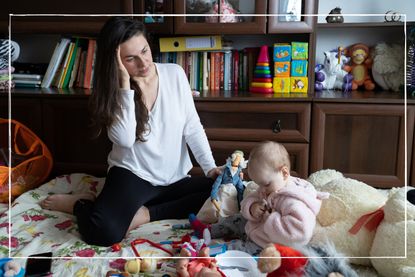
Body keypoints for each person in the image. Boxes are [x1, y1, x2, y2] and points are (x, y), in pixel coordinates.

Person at [40, 16, 220, 246]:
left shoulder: (175, 74)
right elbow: (124, 140)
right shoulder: (114, 92)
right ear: (116, 62)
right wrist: (124, 84)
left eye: (145, 51)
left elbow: (192, 127)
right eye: (131, 59)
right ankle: (81, 204)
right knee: (102, 233)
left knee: (225, 192)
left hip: (175, 178)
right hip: (133, 175)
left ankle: (146, 214)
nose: (143, 63)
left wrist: (210, 168)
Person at [189, 141, 329, 254]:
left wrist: (270, 218)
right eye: (258, 184)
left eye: (265, 184)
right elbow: (248, 200)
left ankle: (213, 253)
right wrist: (252, 208)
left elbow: (300, 234)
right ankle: (208, 231)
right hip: (255, 227)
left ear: (284, 173)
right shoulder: (270, 187)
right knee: (236, 218)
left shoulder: (294, 201)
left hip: (270, 244)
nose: (261, 190)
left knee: (240, 250)